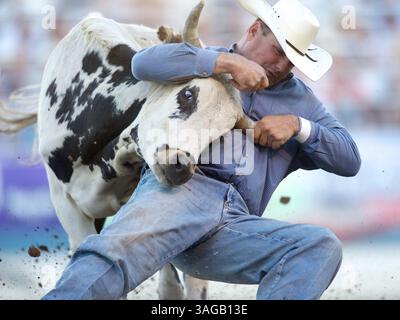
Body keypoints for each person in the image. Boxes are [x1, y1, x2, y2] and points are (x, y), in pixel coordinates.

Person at [43, 0, 361, 300]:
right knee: (112, 256)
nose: (281, 66)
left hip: (234, 225)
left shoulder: (301, 103)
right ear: (253, 31)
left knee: (320, 245)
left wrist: (299, 126)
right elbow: (142, 64)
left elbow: (350, 159)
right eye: (278, 51)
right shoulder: (201, 60)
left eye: (292, 61)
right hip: (179, 191)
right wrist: (223, 62)